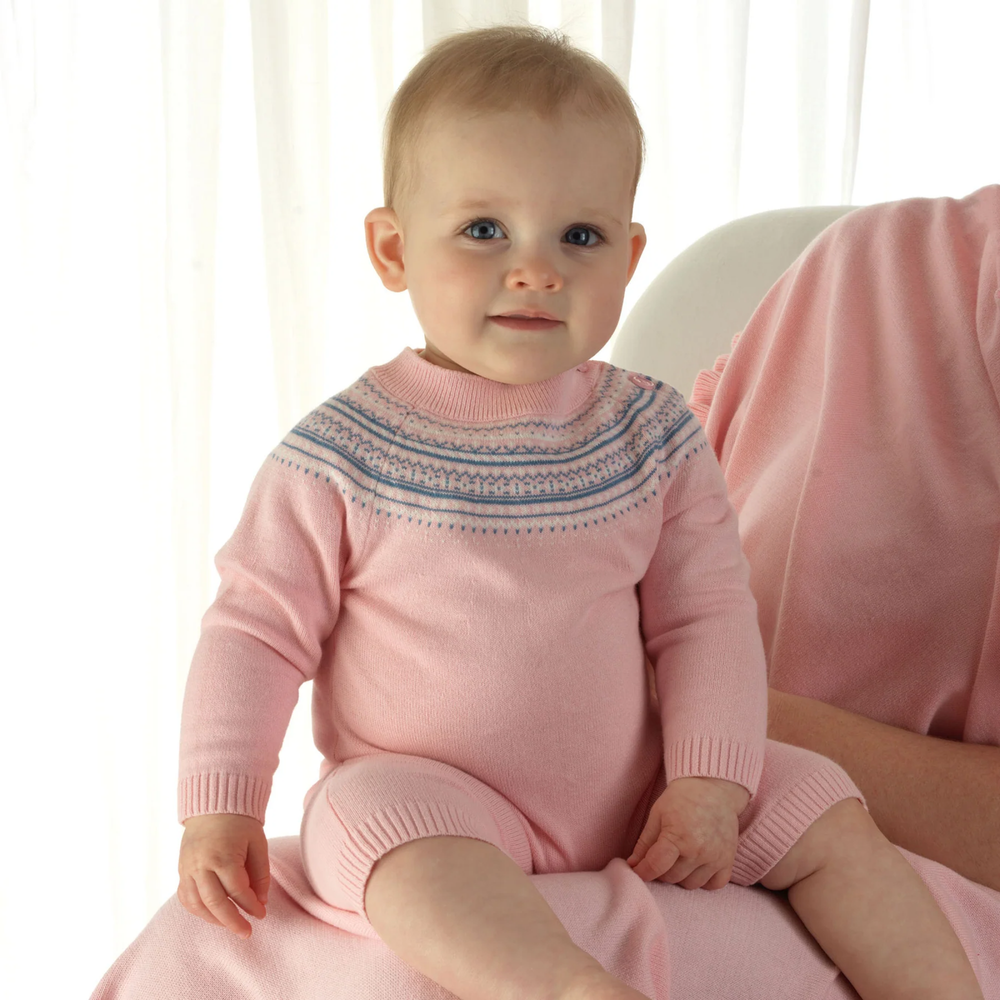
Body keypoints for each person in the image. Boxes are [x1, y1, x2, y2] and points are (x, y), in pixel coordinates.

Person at [174, 24, 985, 1000]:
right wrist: (219, 807)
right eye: (483, 232)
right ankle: (560, 985)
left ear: (629, 254)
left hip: (639, 774)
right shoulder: (343, 453)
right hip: (447, 793)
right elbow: (255, 630)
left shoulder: (651, 434)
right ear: (392, 250)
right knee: (372, 828)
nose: (535, 269)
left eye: (580, 236)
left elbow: (706, 619)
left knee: (828, 811)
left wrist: (708, 778)